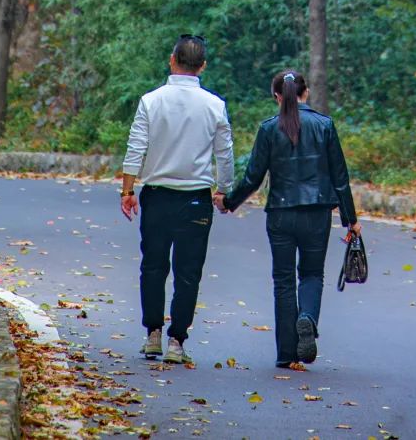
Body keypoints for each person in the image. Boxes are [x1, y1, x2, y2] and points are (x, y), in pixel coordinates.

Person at [218, 70, 360, 368]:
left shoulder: (269, 129)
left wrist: (229, 202)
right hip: (317, 213)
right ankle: (307, 317)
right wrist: (351, 220)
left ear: (277, 96)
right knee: (311, 274)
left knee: (283, 281)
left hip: (280, 215)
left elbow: (253, 177)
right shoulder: (324, 126)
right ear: (305, 94)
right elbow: (340, 178)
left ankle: (286, 353)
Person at [120, 34, 235, 365]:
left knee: (153, 266)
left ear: (172, 60)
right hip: (196, 198)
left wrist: (128, 191)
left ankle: (152, 334)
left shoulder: (150, 101)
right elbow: (224, 155)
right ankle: (177, 341)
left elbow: (136, 148)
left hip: (156, 196)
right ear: (203, 67)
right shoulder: (215, 105)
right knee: (189, 271)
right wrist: (223, 189)